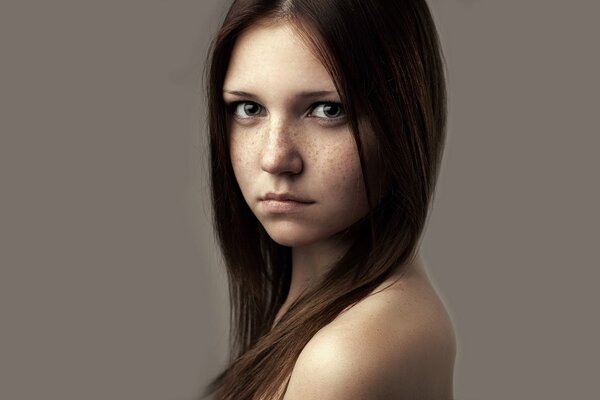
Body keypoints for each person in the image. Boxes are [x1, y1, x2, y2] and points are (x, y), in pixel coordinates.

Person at [203, 0, 455, 398]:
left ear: (401, 118)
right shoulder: (335, 312)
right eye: (249, 108)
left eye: (327, 109)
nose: (275, 158)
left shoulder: (344, 355)